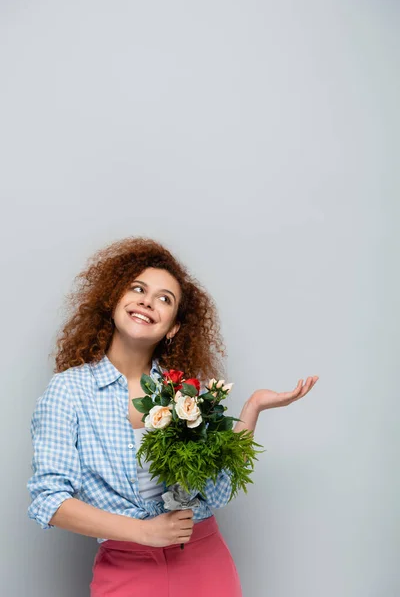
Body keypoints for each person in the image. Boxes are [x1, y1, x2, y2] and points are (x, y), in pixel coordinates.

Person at [27, 236, 318, 596]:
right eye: (138, 289)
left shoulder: (185, 393)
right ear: (115, 299)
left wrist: (252, 409)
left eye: (165, 299)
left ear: (173, 327)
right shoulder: (68, 391)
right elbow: (49, 500)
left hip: (204, 559)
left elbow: (219, 490)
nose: (147, 301)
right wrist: (142, 532)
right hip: (125, 564)